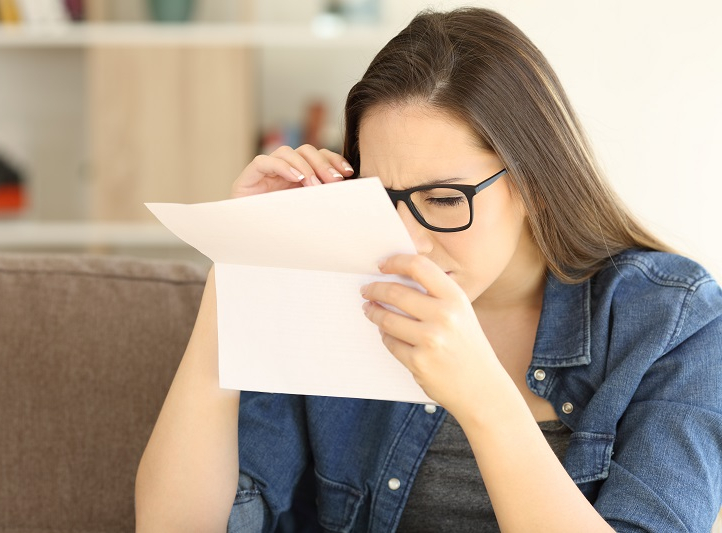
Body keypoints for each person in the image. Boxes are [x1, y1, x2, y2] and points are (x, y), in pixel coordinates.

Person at [134, 7, 722, 532]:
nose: (408, 242)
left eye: (443, 200)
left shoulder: (672, 320)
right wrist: (239, 269)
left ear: (537, 187)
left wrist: (485, 399)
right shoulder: (333, 293)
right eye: (382, 199)